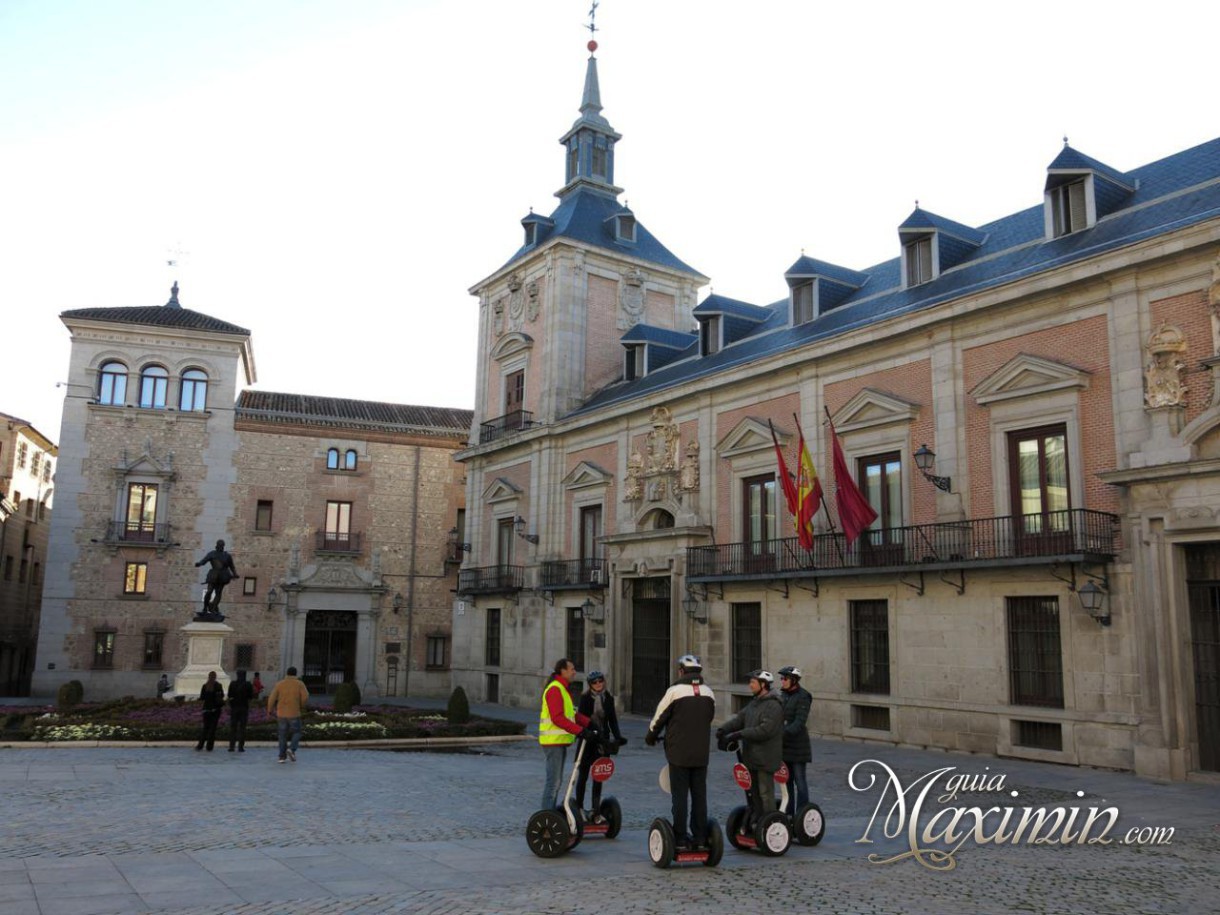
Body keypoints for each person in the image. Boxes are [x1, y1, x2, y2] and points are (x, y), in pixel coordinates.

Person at [644, 654, 716, 850]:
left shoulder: (674, 692)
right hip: (701, 754)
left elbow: (658, 719)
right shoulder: (709, 693)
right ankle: (700, 838)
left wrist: (650, 737)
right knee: (700, 796)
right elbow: (709, 717)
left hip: (679, 754)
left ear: (681, 671)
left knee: (680, 796)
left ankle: (681, 838)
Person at [717, 669, 783, 831]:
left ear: (763, 685)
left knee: (765, 793)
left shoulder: (774, 705)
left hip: (765, 758)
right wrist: (723, 730)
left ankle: (771, 826)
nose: (750, 685)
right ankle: (757, 821)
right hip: (751, 757)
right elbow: (740, 719)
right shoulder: (754, 703)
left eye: (753, 682)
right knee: (753, 793)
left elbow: (764, 730)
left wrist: (738, 735)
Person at [538, 658, 596, 810]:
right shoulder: (555, 689)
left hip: (559, 741)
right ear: (562, 671)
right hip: (553, 742)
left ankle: (551, 815)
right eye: (572, 669)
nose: (574, 672)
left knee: (556, 782)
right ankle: (547, 820)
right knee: (553, 783)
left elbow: (572, 714)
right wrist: (580, 731)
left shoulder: (563, 689)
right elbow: (557, 718)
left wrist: (589, 723)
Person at [574, 670, 627, 820]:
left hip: (603, 741)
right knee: (583, 775)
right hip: (588, 740)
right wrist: (589, 733)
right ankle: (579, 808)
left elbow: (612, 720)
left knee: (598, 776)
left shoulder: (608, 697)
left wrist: (618, 737)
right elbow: (581, 720)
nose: (598, 684)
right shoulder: (585, 698)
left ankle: (595, 811)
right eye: (594, 682)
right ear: (590, 685)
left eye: (600, 681)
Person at [777, 664, 812, 815]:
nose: (782, 681)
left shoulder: (803, 696)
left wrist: (781, 732)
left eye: (785, 678)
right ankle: (789, 814)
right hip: (784, 746)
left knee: (800, 781)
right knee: (787, 781)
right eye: (781, 678)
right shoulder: (783, 695)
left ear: (794, 680)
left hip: (798, 747)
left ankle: (802, 814)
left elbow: (799, 722)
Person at [267, 666, 310, 763]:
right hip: (294, 712)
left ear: (287, 673)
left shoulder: (279, 684)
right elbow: (305, 697)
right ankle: (292, 749)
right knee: (297, 732)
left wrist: (269, 710)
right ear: (296, 674)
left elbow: (272, 698)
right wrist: (301, 705)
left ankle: (282, 757)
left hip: (281, 713)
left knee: (282, 735)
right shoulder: (299, 684)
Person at [194, 539, 238, 617]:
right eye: (219, 545)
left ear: (223, 546)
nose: (220, 547)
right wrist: (199, 564)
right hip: (213, 575)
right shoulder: (212, 554)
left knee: (218, 592)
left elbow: (232, 566)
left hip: (223, 576)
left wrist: (235, 574)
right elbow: (204, 561)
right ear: (216, 545)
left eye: (222, 545)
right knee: (209, 591)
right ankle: (205, 608)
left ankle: (214, 608)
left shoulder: (227, 556)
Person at [195, 671, 225, 752]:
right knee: (212, 729)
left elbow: (202, 697)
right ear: (215, 677)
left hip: (206, 710)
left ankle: (200, 745)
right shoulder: (218, 686)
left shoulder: (205, 686)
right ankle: (209, 746)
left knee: (205, 728)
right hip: (215, 709)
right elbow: (222, 696)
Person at [227, 669, 255, 753]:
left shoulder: (233, 684)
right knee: (242, 728)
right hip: (244, 707)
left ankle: (232, 746)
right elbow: (250, 696)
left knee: (233, 728)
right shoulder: (248, 684)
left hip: (234, 707)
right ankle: (240, 747)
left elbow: (229, 695)